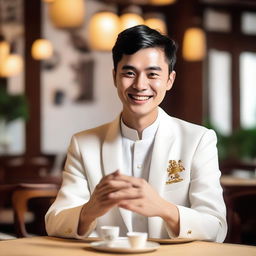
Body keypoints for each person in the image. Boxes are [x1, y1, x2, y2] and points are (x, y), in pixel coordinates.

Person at [45, 25, 227, 242]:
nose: (140, 85)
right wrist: (89, 210)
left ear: (170, 80)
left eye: (152, 74)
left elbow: (216, 227)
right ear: (114, 77)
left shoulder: (198, 140)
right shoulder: (84, 144)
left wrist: (163, 208)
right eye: (129, 73)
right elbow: (55, 222)